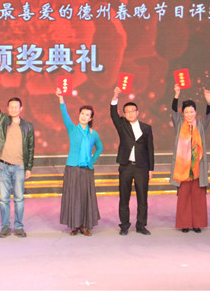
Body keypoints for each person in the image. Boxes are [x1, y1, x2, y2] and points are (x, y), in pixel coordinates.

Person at [0, 75, 35, 238]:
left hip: (20, 167)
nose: (13, 109)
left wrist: (29, 167)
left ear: (21, 109)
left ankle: (19, 227)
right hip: (3, 166)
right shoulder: (2, 120)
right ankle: (5, 227)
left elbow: (31, 147)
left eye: (16, 107)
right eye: (11, 107)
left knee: (19, 198)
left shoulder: (28, 126)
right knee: (4, 199)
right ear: (7, 109)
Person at [56, 88, 103, 236]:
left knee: (85, 197)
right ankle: (74, 225)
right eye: (82, 113)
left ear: (90, 118)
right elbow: (64, 114)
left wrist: (91, 161)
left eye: (87, 115)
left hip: (87, 169)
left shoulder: (93, 134)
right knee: (73, 196)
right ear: (79, 115)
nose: (84, 116)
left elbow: (100, 148)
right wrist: (61, 98)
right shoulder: (72, 129)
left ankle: (84, 225)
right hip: (72, 167)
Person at [110, 86, 155, 235]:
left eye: (132, 111)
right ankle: (124, 225)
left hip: (142, 167)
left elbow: (150, 149)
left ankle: (141, 225)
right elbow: (113, 114)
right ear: (124, 114)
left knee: (142, 198)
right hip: (126, 166)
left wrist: (151, 169)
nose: (130, 113)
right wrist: (115, 97)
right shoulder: (122, 125)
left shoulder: (146, 128)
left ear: (137, 112)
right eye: (127, 111)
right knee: (124, 198)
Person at [170, 84, 210, 233]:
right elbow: (173, 112)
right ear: (183, 113)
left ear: (195, 112)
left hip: (197, 167)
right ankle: (184, 224)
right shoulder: (179, 123)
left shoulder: (200, 124)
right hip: (182, 168)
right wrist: (176, 95)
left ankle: (197, 224)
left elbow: (209, 116)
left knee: (198, 197)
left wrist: (209, 102)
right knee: (183, 197)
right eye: (186, 112)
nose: (189, 114)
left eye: (191, 111)